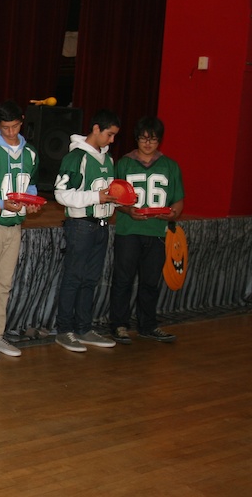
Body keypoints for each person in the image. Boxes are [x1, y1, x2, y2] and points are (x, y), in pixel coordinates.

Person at [0, 101, 41, 362]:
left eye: (15, 127)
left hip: (15, 226)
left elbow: (32, 185)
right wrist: (2, 203)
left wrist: (32, 203)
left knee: (4, 284)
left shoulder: (31, 153)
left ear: (22, 122)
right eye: (5, 128)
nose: (11, 132)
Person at [109, 116, 184, 344]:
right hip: (129, 230)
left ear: (159, 141)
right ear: (136, 139)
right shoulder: (124, 163)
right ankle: (119, 325)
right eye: (143, 139)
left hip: (157, 231)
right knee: (123, 279)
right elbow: (113, 197)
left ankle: (148, 325)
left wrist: (173, 213)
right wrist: (127, 210)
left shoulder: (170, 166)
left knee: (150, 282)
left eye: (153, 139)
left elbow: (178, 200)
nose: (148, 144)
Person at [53, 109, 121, 353]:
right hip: (80, 225)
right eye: (109, 135)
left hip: (101, 225)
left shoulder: (107, 158)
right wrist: (97, 196)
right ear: (95, 129)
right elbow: (60, 194)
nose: (112, 140)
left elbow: (106, 193)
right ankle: (64, 330)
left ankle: (84, 327)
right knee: (73, 278)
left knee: (90, 279)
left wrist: (117, 200)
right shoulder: (76, 157)